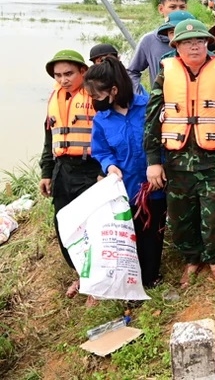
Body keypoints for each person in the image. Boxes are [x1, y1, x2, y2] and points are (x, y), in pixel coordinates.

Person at [144, 19, 215, 287]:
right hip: (177, 162)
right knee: (180, 216)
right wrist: (154, 161)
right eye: (187, 42)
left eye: (199, 41)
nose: (194, 47)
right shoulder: (166, 73)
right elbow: (153, 117)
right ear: (176, 46)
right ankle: (192, 259)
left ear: (207, 45)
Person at [85, 57, 167, 289]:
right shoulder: (102, 120)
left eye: (97, 96)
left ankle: (151, 278)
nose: (95, 101)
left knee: (152, 233)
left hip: (155, 184)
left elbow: (164, 140)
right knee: (131, 234)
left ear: (114, 89)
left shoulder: (148, 106)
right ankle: (130, 281)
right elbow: (101, 151)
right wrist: (109, 165)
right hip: (125, 187)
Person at [39, 50, 104, 301]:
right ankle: (81, 274)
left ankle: (97, 282)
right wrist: (46, 172)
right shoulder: (54, 97)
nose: (63, 79)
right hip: (62, 170)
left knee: (92, 227)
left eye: (69, 74)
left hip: (90, 169)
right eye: (58, 75)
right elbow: (48, 138)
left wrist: (103, 171)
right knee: (65, 226)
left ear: (83, 72)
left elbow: (108, 134)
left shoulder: (96, 96)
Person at [128, 0, 188, 93]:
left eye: (182, 7)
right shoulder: (149, 40)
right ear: (161, 9)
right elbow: (132, 71)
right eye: (173, 7)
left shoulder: (198, 39)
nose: (178, 11)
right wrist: (140, 98)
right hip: (161, 104)